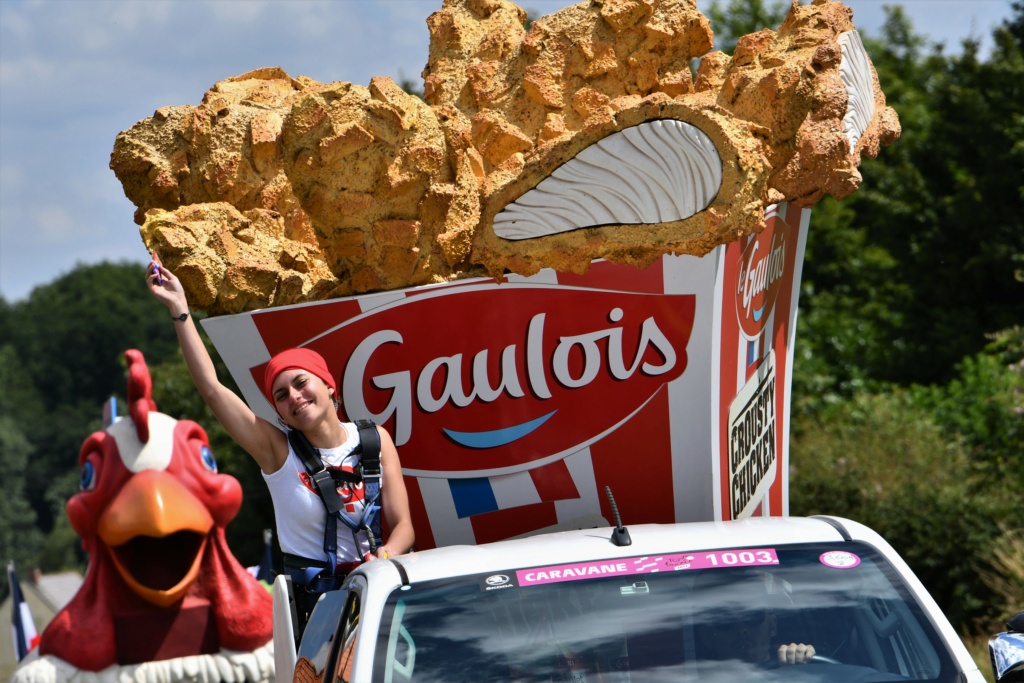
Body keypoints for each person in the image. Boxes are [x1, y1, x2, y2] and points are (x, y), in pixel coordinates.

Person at [146, 254, 414, 630]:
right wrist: (180, 310)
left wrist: (385, 556)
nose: (294, 397)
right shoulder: (278, 453)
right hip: (316, 613)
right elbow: (211, 389)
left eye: (301, 383)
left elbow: (404, 525)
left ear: (329, 386)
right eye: (281, 395)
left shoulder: (374, 440)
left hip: (376, 600)